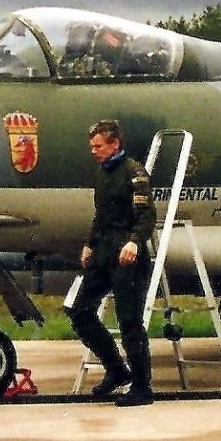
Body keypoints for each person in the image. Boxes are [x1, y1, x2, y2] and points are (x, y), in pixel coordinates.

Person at [65, 119, 158, 405]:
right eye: (91, 146)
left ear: (114, 144)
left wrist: (135, 241)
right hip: (104, 250)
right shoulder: (102, 174)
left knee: (129, 321)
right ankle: (116, 370)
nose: (93, 151)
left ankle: (142, 387)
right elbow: (100, 213)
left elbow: (147, 216)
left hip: (127, 253)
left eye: (98, 146)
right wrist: (89, 244)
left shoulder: (134, 172)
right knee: (78, 310)